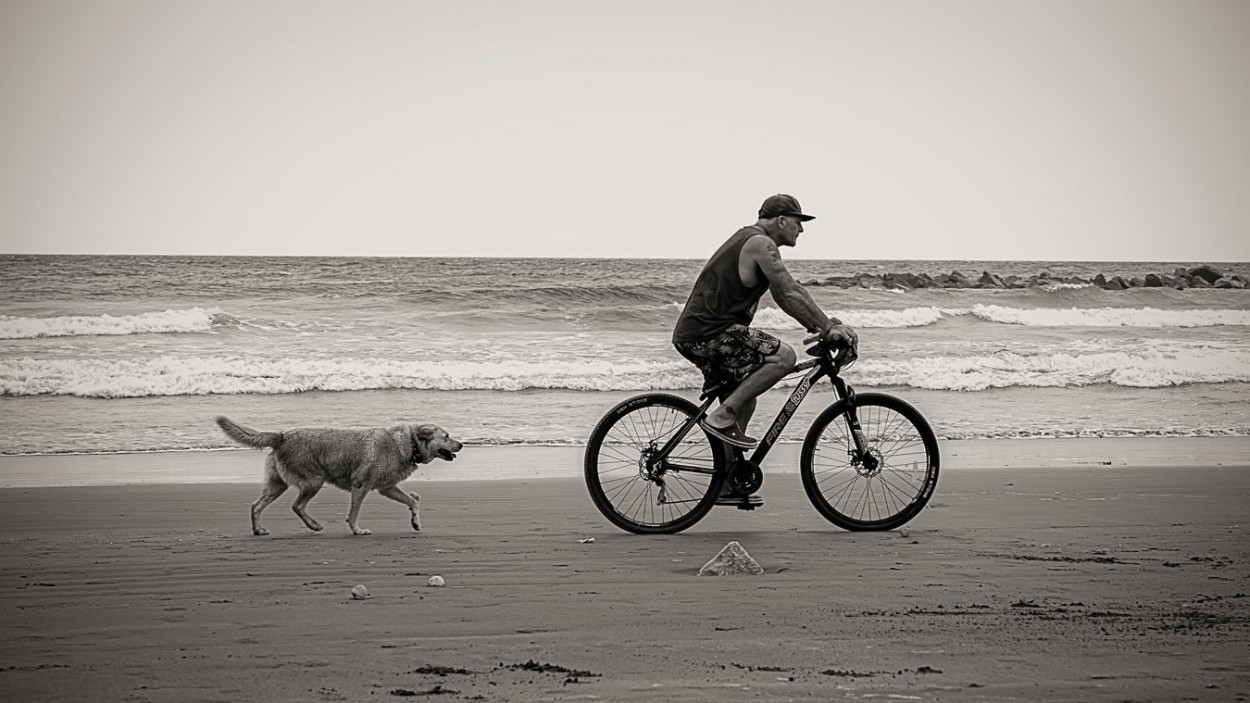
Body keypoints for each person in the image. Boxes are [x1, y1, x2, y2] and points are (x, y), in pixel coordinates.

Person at [672, 193, 858, 450]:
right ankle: (721, 416)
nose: (801, 229)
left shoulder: (749, 240)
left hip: (693, 335)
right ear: (781, 220)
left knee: (745, 401)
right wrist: (828, 328)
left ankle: (728, 485)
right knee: (783, 357)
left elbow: (785, 294)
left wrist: (821, 325)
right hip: (711, 332)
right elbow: (790, 291)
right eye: (798, 221)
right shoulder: (760, 243)